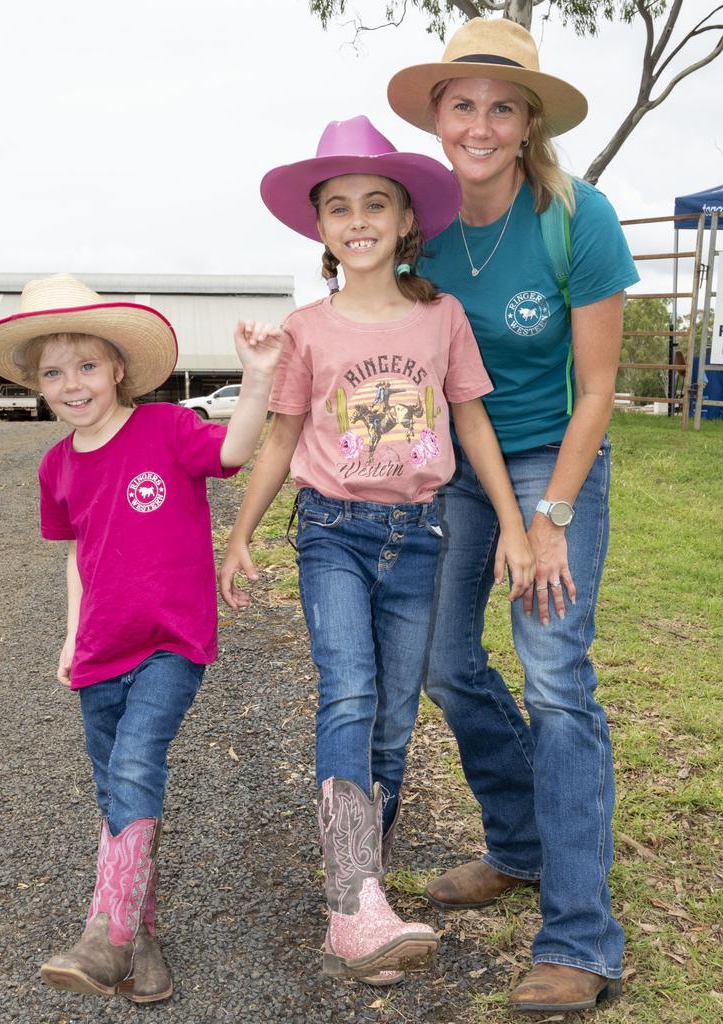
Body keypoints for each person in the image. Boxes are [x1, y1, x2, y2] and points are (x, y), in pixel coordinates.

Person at [218, 115, 535, 986]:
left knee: (396, 716)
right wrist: (241, 534)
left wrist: (511, 522)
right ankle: (353, 903)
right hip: (331, 532)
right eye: (339, 207)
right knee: (351, 691)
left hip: (421, 537)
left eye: (376, 204)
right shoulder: (307, 329)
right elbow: (282, 439)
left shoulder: (442, 318)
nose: (358, 220)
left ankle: (363, 892)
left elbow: (470, 419)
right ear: (320, 229)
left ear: (405, 222)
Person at [387, 18, 639, 1013]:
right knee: (445, 658)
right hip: (459, 459)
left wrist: (549, 519)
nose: (482, 123)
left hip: (557, 454)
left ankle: (582, 937)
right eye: (464, 104)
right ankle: (522, 843)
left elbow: (597, 386)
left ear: (529, 121)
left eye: (503, 105)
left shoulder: (578, 217)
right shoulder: (421, 227)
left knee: (556, 674)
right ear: (439, 118)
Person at [0, 273, 283, 1003]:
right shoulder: (56, 465)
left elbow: (233, 449)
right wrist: (71, 638)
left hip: (171, 642)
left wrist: (258, 378)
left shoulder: (166, 431)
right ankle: (139, 942)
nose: (72, 384)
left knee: (136, 764)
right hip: (100, 653)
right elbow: (76, 553)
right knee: (115, 794)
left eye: (87, 366)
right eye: (52, 372)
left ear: (119, 370)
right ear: (36, 384)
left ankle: (106, 931)